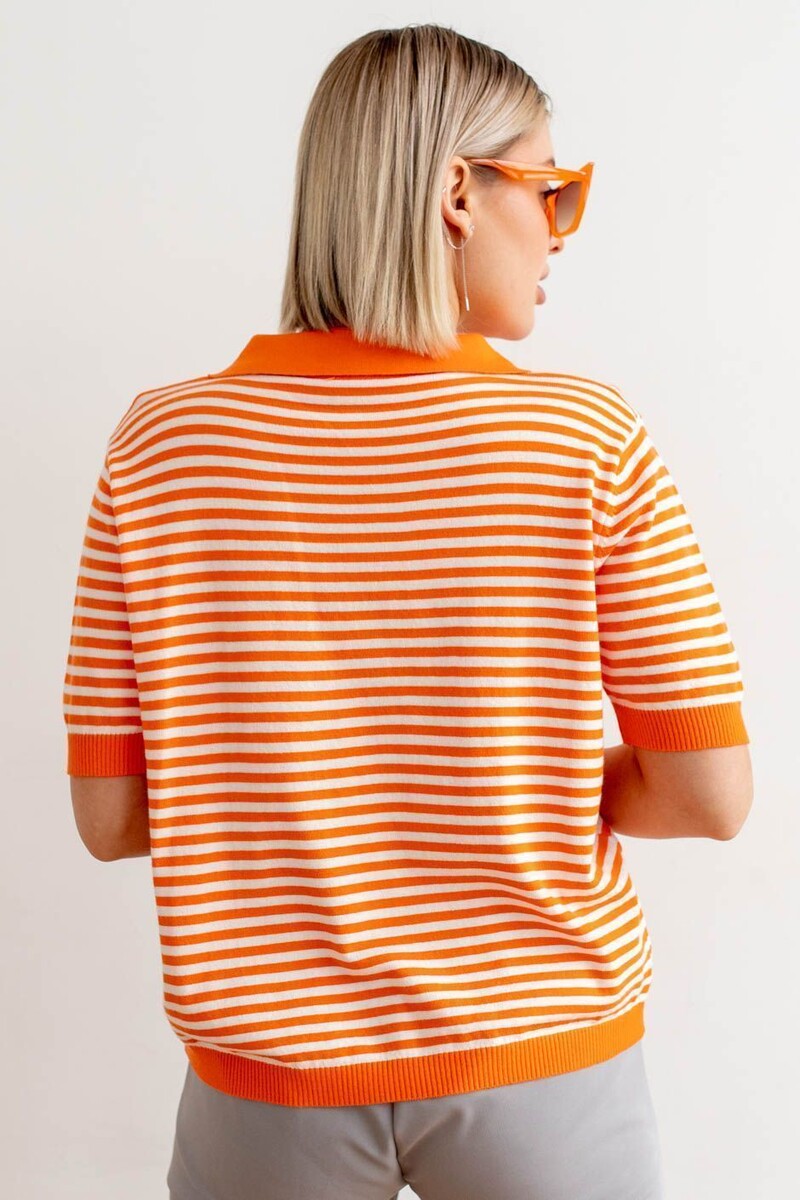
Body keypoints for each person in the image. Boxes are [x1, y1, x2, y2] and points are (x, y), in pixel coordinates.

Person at [63, 22, 752, 1200]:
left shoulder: (160, 447)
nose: (559, 229)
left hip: (265, 1076)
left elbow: (114, 815)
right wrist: (499, 783)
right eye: (550, 188)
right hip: (541, 1056)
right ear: (454, 192)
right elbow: (707, 795)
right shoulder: (583, 440)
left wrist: (321, 791)